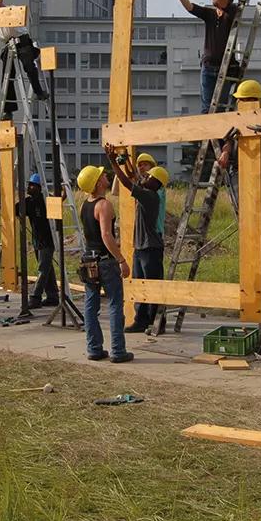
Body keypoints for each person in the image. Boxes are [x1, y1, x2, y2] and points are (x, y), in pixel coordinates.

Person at [106, 145, 167, 333]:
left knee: (152, 285)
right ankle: (141, 321)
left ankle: (154, 322)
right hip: (141, 246)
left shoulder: (151, 196)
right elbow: (134, 178)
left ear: (156, 183)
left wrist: (112, 161)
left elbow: (127, 182)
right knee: (140, 284)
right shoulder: (148, 191)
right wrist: (127, 162)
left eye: (148, 175)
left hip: (151, 247)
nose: (145, 176)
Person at [217, 79, 261, 265]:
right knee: (245, 212)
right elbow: (229, 141)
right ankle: (251, 248)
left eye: (242, 100)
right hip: (239, 171)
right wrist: (226, 152)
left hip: (258, 171)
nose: (240, 103)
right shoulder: (236, 118)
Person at [76, 165, 133, 363]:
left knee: (91, 306)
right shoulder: (104, 205)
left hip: (89, 261)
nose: (106, 175)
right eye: (103, 175)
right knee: (115, 304)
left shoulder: (85, 205)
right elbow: (106, 235)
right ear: (98, 182)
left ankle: (94, 348)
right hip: (106, 262)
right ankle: (118, 351)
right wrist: (121, 260)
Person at [162, 0, 240, 112]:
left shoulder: (232, 12)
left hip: (225, 68)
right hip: (208, 67)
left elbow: (225, 4)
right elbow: (190, 7)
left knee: (219, 109)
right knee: (206, 109)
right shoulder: (209, 14)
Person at [0, 0, 47, 119]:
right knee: (7, 77)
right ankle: (9, 110)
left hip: (22, 42)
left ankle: (38, 91)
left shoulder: (11, 10)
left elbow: (10, 14)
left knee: (28, 66)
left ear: (0, 0)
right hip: (9, 44)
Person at [21, 173, 59, 308]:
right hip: (37, 241)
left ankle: (35, 297)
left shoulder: (45, 200)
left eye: (32, 185)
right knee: (47, 268)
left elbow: (58, 206)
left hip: (48, 241)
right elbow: (17, 210)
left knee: (43, 269)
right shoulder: (29, 202)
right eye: (29, 185)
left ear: (39, 187)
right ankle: (53, 296)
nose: (29, 187)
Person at [135, 153, 167, 241]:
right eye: (139, 165)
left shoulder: (158, 188)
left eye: (145, 165)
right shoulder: (143, 184)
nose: (141, 167)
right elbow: (115, 191)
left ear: (153, 168)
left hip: (155, 232)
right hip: (144, 233)